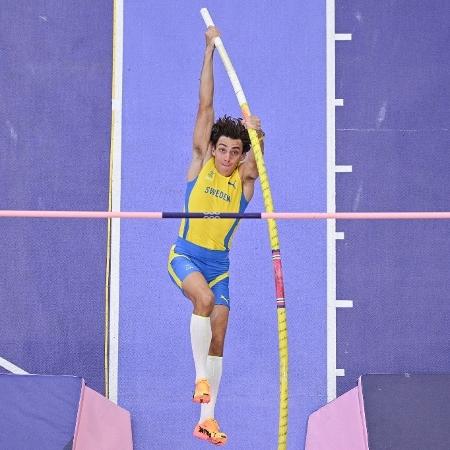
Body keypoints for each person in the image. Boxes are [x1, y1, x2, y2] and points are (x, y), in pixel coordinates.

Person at [167, 26, 264, 446]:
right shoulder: (200, 162)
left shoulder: (244, 183)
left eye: (234, 151)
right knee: (203, 302)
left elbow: (257, 163)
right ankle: (199, 381)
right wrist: (207, 50)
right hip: (185, 257)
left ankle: (207, 419)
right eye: (221, 148)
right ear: (213, 148)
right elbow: (205, 104)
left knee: (219, 333)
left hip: (219, 266)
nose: (226, 156)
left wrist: (258, 135)